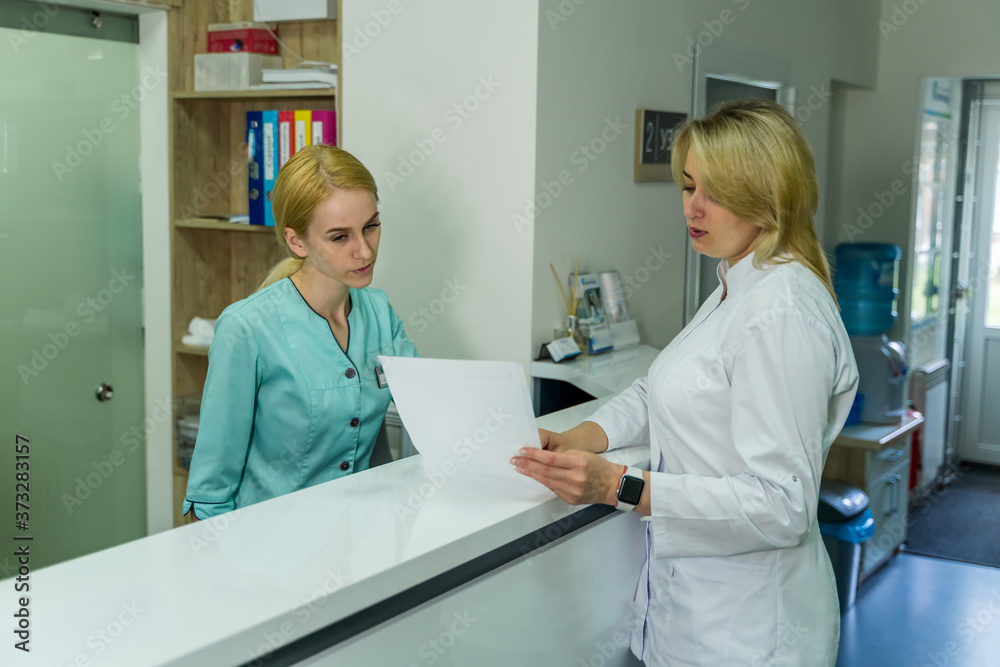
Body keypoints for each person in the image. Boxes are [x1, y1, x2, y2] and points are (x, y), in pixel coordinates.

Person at [511, 99, 858, 666]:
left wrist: (618, 485)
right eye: (689, 186)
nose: (693, 208)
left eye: (715, 193)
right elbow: (661, 388)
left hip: (749, 634)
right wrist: (582, 437)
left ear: (768, 195)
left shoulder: (782, 312)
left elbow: (780, 505)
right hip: (694, 619)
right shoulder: (737, 284)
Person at [184, 145, 418, 521]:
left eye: (371, 226)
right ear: (296, 241)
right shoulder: (247, 328)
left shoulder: (378, 310)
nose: (364, 251)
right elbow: (211, 491)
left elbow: (431, 405)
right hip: (268, 549)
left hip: (361, 540)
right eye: (340, 237)